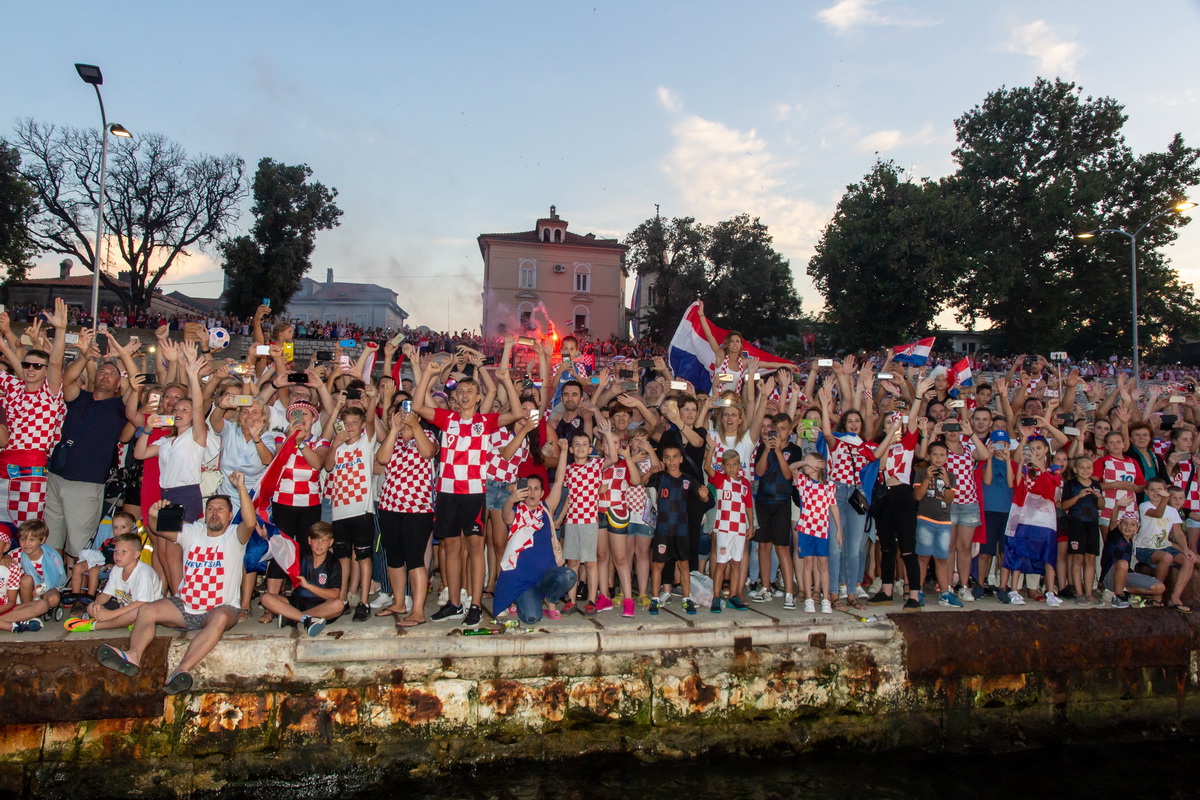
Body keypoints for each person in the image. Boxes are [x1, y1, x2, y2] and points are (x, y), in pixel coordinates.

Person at [96, 471, 257, 695]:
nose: (214, 513)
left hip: (220, 608)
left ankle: (182, 670)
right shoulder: (193, 531)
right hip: (184, 606)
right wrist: (153, 515)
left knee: (220, 617)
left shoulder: (234, 536)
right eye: (211, 509)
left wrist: (241, 487)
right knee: (147, 610)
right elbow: (160, 528)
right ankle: (133, 655)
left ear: (230, 515)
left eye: (220, 509)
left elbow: (250, 522)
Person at [411, 365, 523, 627]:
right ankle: (453, 602)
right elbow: (417, 406)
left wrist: (505, 380)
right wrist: (427, 375)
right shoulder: (445, 418)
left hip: (473, 493)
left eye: (469, 391)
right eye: (460, 391)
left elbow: (517, 413)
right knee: (451, 547)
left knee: (475, 548)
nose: (463, 395)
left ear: (478, 397)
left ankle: (474, 604)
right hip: (447, 492)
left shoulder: (484, 422)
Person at [44, 330, 137, 561]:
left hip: (86, 482)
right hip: (56, 476)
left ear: (118, 383)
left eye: (112, 374)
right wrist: (85, 357)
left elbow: (135, 388)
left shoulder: (120, 406)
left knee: (79, 545)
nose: (105, 375)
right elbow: (67, 380)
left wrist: (123, 356)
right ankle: (55, 584)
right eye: (102, 372)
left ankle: (76, 592)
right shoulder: (80, 397)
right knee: (52, 539)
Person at [0, 301, 68, 526]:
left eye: (37, 366)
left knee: (27, 531)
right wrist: (5, 342)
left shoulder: (50, 394)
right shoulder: (13, 386)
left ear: (46, 371)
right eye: (27, 365)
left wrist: (60, 330)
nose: (30, 369)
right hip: (3, 462)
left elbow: (56, 362)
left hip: (31, 467)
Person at [375, 400, 438, 627]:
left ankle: (418, 611)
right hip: (389, 505)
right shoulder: (392, 439)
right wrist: (393, 430)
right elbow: (381, 459)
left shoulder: (428, 435)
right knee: (393, 557)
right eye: (399, 414)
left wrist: (415, 426)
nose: (404, 417)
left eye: (408, 414)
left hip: (417, 508)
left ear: (418, 416)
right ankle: (399, 602)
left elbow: (428, 452)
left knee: (415, 560)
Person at [495, 465, 575, 624]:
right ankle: (520, 598)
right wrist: (511, 499)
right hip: (521, 582)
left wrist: (564, 450)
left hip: (544, 576)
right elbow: (505, 516)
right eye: (529, 489)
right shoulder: (517, 513)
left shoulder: (546, 509)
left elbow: (559, 481)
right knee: (532, 618)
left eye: (537, 489)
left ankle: (550, 599)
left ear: (542, 493)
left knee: (569, 576)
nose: (532, 492)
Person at [322, 403, 377, 622]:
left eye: (355, 423)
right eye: (346, 423)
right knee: (342, 557)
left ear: (362, 425)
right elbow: (327, 467)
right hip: (339, 511)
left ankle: (364, 601)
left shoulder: (366, 443)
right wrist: (335, 445)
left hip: (361, 510)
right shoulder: (339, 447)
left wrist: (371, 400)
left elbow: (371, 420)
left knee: (363, 557)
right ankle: (343, 598)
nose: (350, 427)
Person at [643, 444, 712, 615]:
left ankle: (686, 599)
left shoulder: (688, 480)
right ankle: (655, 599)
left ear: (681, 459)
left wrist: (704, 496)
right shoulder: (660, 478)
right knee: (658, 564)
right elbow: (641, 481)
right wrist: (651, 471)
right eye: (668, 457)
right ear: (664, 460)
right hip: (663, 530)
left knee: (684, 565)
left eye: (675, 457)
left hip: (681, 530)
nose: (672, 461)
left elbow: (704, 497)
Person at [260, 522, 345, 636]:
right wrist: (268, 537)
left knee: (338, 605)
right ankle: (305, 619)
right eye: (315, 540)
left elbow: (334, 594)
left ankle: (293, 617)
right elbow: (282, 549)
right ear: (309, 540)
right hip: (298, 601)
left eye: (324, 540)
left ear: (331, 542)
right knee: (266, 598)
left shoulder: (333, 563)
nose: (319, 545)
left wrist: (308, 586)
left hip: (321, 606)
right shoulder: (301, 555)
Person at [64, 533, 162, 632]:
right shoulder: (116, 569)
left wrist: (112, 614)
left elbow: (142, 602)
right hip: (124, 607)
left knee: (137, 613)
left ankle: (96, 625)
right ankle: (124, 622)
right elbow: (106, 594)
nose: (118, 555)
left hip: (147, 609)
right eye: (116, 551)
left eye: (124, 552)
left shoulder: (144, 573)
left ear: (136, 554)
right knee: (91, 607)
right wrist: (97, 604)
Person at [1133, 477, 1194, 613]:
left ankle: (1175, 597)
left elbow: (1178, 533)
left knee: (1188, 560)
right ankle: (1157, 594)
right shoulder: (1145, 506)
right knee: (1166, 557)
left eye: (1159, 490)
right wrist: (1165, 499)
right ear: (1147, 492)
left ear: (1165, 491)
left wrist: (1185, 549)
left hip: (1164, 546)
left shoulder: (1172, 511)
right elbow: (1157, 513)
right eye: (1152, 490)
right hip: (1144, 548)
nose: (1156, 493)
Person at [705, 449, 752, 613]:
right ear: (723, 466)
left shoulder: (745, 483)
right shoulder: (720, 480)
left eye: (735, 464)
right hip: (724, 528)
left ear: (740, 465)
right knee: (721, 563)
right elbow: (706, 467)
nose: (732, 468)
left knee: (736, 563)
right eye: (728, 465)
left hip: (739, 528)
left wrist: (750, 525)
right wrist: (711, 449)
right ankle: (716, 597)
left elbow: (748, 505)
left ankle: (733, 596)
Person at [913, 441, 959, 608]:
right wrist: (927, 478)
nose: (938, 458)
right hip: (925, 519)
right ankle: (917, 592)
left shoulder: (951, 476)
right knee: (923, 557)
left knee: (941, 558)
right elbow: (918, 496)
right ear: (929, 456)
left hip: (944, 521)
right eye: (935, 454)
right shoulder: (921, 473)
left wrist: (946, 482)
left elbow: (949, 499)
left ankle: (945, 593)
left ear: (947, 457)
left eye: (942, 455)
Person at [793, 453, 841, 614]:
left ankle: (825, 598)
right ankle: (808, 598)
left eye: (809, 462)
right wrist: (804, 461)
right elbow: (790, 468)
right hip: (806, 529)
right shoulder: (803, 482)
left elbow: (833, 507)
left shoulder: (829, 485)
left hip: (822, 530)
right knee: (808, 564)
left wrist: (839, 529)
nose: (805, 465)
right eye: (805, 462)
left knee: (823, 564)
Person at [0, 519, 65, 632]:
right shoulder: (15, 554)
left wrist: (43, 586)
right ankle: (25, 614)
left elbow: (60, 578)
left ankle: (18, 617)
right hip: (23, 593)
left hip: (48, 588)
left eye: (32, 540)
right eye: (23, 539)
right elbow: (5, 558)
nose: (26, 544)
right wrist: (6, 557)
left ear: (42, 540)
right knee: (27, 579)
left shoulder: (51, 555)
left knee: (52, 599)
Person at [1100, 499, 1165, 608]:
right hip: (1110, 576)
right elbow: (1112, 522)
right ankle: (1118, 597)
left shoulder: (1131, 542)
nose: (1128, 527)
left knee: (1159, 587)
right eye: (1125, 523)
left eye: (1132, 524)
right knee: (1123, 563)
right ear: (1120, 526)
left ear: (1136, 529)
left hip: (1125, 576)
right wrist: (1117, 507)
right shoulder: (1114, 537)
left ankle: (1122, 591)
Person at [66, 511, 139, 605]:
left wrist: (112, 564)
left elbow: (128, 560)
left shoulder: (130, 545)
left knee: (93, 571)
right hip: (101, 561)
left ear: (132, 528)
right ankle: (75, 594)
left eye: (123, 527)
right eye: (115, 527)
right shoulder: (109, 541)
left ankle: (90, 596)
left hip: (114, 566)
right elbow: (100, 552)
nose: (118, 530)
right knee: (77, 567)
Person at [1059, 456, 1102, 604]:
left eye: (1088, 467)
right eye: (1081, 467)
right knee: (1078, 557)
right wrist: (1078, 496)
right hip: (1076, 524)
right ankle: (1079, 592)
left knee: (1090, 558)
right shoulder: (1070, 484)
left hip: (1092, 523)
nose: (1085, 470)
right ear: (1075, 470)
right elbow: (1064, 506)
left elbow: (1101, 506)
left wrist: (1099, 496)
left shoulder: (1096, 484)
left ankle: (1089, 592)